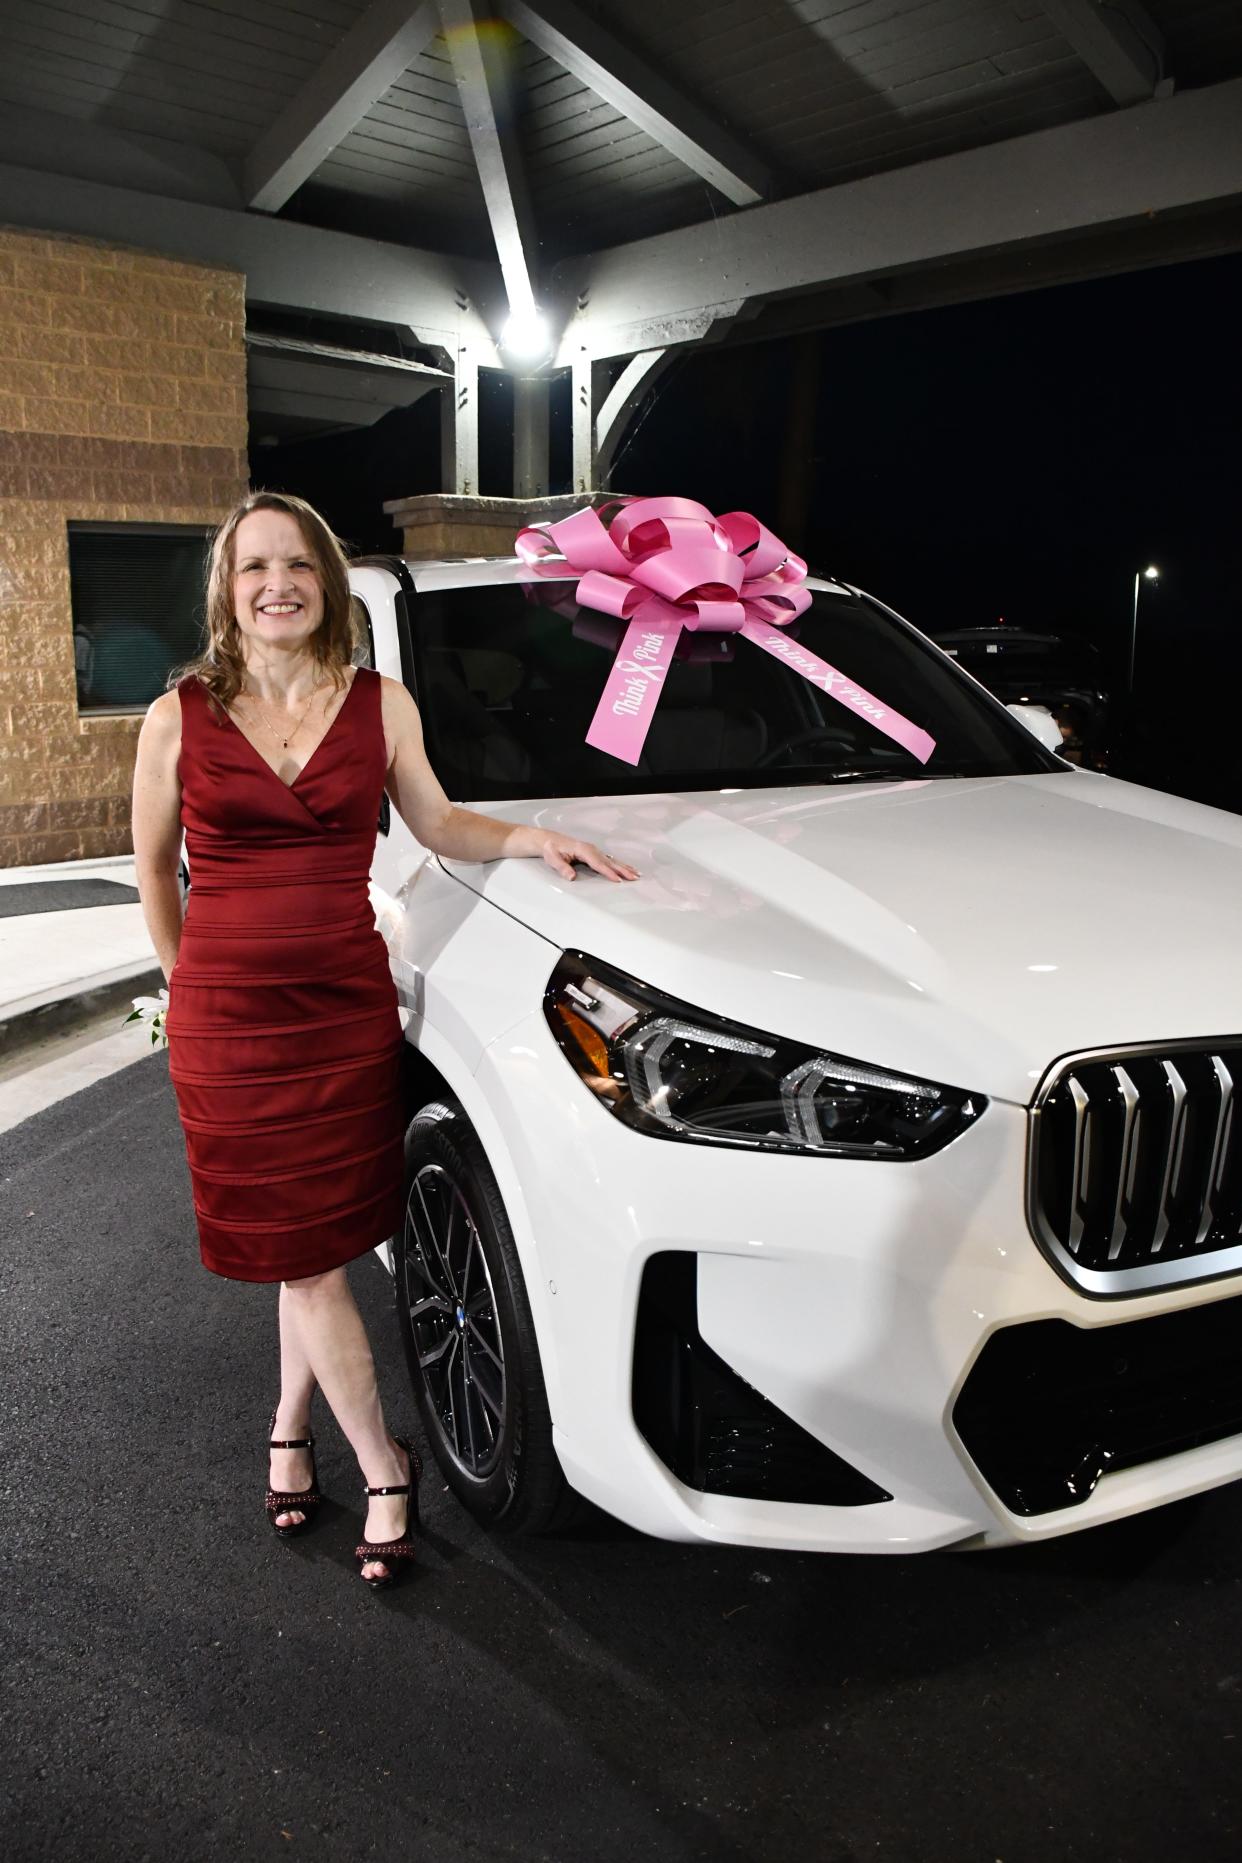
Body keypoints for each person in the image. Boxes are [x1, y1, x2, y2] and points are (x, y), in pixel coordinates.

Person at [131, 491, 638, 1588]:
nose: (278, 584)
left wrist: (537, 839)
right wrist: (193, 986)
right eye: (254, 566)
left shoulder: (382, 704)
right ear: (228, 589)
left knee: (307, 1243)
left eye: (298, 565)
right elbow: (152, 873)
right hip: (229, 1024)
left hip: (341, 1012)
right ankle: (384, 1460)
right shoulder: (176, 716)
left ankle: (287, 1424)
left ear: (325, 581)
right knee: (303, 1253)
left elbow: (441, 822)